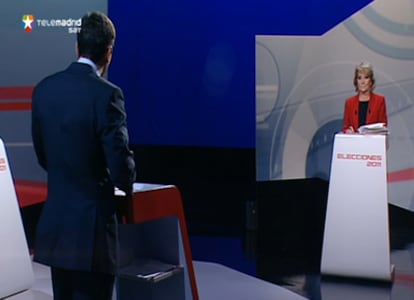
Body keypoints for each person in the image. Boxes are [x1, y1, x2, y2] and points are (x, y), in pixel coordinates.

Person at [31, 11, 136, 300]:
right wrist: (127, 180)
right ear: (109, 53)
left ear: (77, 47)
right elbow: (120, 168)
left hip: (57, 229)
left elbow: (43, 157)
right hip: (92, 236)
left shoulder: (44, 90)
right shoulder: (108, 95)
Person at [342, 62, 388, 133]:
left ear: (371, 81)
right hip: (354, 142)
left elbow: (384, 127)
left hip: (373, 142)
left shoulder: (379, 101)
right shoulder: (349, 103)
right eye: (359, 78)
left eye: (366, 78)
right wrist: (348, 131)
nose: (362, 82)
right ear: (356, 81)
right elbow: (345, 127)